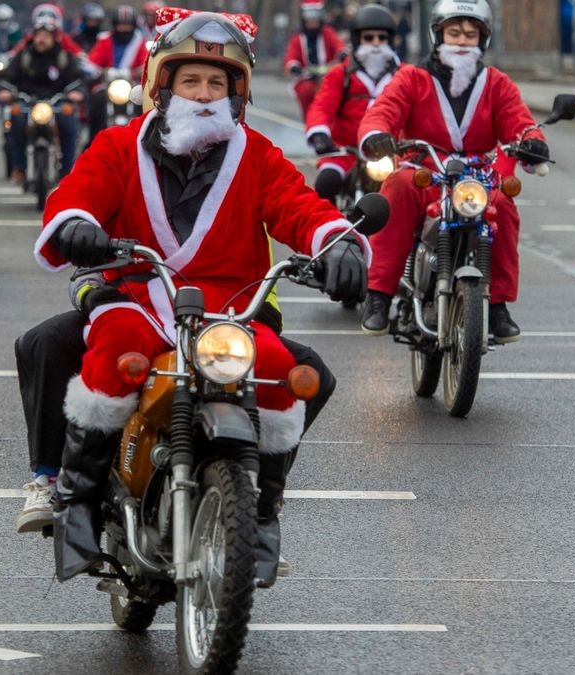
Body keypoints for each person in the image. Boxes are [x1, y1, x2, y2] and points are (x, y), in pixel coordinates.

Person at [31, 9, 370, 583]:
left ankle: (260, 511)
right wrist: (76, 224)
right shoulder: (118, 146)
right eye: (191, 80)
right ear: (162, 85)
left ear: (237, 92)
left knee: (285, 369)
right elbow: (75, 194)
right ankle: (78, 501)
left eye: (219, 83)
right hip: (140, 295)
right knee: (114, 344)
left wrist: (335, 243)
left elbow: (300, 206)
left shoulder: (256, 153)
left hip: (228, 312)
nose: (205, 93)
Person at [356, 0, 549, 341]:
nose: (462, 41)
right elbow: (384, 110)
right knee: (397, 186)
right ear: (438, 35)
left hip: (477, 179)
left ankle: (499, 305)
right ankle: (379, 295)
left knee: (503, 204)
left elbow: (519, 122)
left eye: (471, 35)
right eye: (454, 32)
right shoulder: (412, 78)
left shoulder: (497, 83)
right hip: (425, 174)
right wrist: (377, 136)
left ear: (482, 41)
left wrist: (532, 141)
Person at [305, 3, 400, 202]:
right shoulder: (341, 74)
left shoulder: (404, 75)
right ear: (357, 40)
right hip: (344, 151)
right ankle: (330, 230)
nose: (376, 43)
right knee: (325, 183)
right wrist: (320, 133)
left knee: (409, 191)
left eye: (382, 38)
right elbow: (322, 105)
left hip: (390, 154)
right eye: (369, 37)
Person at [0, 14, 85, 185]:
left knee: (67, 119)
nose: (41, 40)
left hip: (57, 101)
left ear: (54, 38)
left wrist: (77, 92)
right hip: (27, 101)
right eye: (38, 35)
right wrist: (4, 90)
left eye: (46, 36)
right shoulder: (23, 57)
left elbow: (77, 80)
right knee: (16, 116)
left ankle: (68, 170)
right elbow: (8, 78)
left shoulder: (64, 57)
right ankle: (19, 167)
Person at [85, 5, 148, 139]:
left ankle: (144, 138)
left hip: (132, 85)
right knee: (97, 99)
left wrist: (136, 72)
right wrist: (100, 72)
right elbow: (92, 62)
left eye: (127, 25)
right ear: (115, 26)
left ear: (133, 26)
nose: (124, 29)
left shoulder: (139, 41)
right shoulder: (105, 40)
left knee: (145, 102)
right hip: (107, 85)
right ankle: (93, 139)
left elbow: (146, 63)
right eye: (121, 25)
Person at [284, 1, 345, 122]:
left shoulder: (327, 32)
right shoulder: (297, 37)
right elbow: (291, 56)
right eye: (309, 20)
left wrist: (342, 53)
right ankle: (309, 122)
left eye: (315, 20)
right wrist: (294, 66)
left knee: (336, 92)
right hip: (307, 76)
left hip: (329, 73)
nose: (312, 23)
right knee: (305, 91)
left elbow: (339, 45)